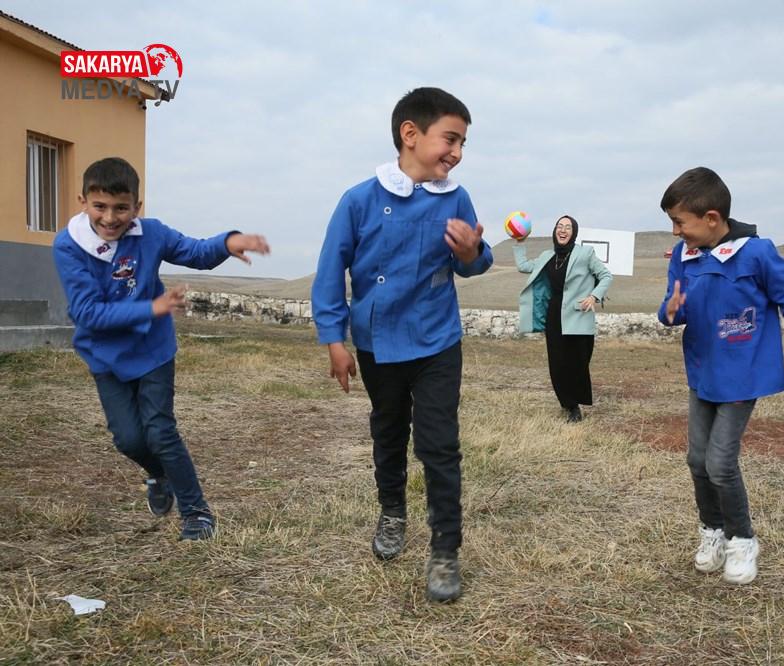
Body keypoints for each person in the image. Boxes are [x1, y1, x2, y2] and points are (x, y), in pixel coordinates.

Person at [311, 87, 493, 603]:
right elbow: (330, 273)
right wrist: (334, 340)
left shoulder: (456, 197)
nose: (457, 152)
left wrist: (473, 252)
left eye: (463, 143)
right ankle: (392, 512)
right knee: (389, 432)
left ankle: (445, 549)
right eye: (450, 139)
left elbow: (470, 261)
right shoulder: (359, 200)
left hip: (437, 340)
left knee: (439, 444)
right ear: (410, 134)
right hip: (378, 342)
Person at [53, 157, 270, 541]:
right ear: (83, 201)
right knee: (128, 439)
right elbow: (87, 312)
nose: (110, 217)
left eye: (121, 208)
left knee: (160, 432)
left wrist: (228, 242)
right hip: (105, 356)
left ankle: (196, 513)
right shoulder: (69, 246)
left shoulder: (150, 234)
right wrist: (151, 308)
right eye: (100, 206)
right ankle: (158, 474)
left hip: (153, 350)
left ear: (136, 206)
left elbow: (195, 252)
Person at [657, 167, 784, 585]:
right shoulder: (684, 256)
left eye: (679, 222)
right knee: (697, 460)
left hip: (743, 376)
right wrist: (670, 311)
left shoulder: (757, 253)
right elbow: (672, 309)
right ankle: (711, 531)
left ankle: (742, 539)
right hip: (702, 373)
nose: (675, 232)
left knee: (720, 463)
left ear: (711, 218)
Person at [514, 216, 612, 422]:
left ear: (573, 232)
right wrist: (520, 242)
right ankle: (570, 406)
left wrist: (594, 296)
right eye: (560, 226)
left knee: (578, 362)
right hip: (554, 315)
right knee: (557, 364)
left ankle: (576, 398)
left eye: (568, 227)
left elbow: (606, 275)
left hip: (578, 315)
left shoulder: (585, 253)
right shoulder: (547, 256)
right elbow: (523, 266)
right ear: (555, 231)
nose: (563, 230)